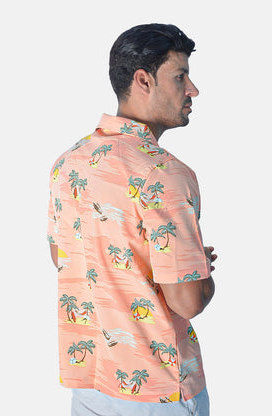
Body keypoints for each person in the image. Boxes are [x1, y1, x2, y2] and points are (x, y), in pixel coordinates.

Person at [47, 23, 217, 416]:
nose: (192, 90)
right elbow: (187, 302)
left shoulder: (69, 162)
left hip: (91, 384)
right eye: (180, 76)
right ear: (143, 80)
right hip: (160, 391)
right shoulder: (165, 174)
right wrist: (198, 271)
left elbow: (64, 257)